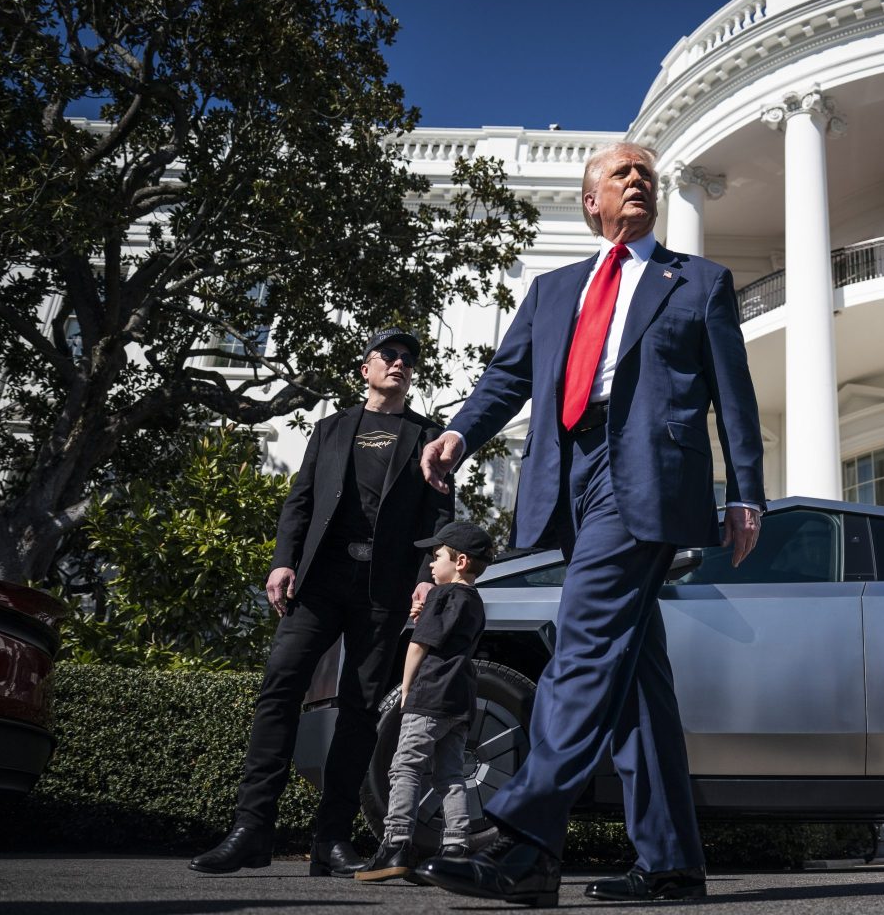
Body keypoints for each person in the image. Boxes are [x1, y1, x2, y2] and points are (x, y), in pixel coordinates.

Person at [412, 142, 765, 905]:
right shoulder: (553, 289)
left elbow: (733, 395)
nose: (637, 180)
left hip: (646, 472)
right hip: (566, 470)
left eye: (646, 174)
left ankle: (525, 841)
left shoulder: (697, 280)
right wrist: (460, 433)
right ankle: (670, 862)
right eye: (620, 174)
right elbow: (507, 376)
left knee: (583, 639)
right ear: (591, 202)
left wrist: (746, 489)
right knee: (637, 676)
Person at [191, 329, 454, 877]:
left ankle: (330, 839)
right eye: (390, 355)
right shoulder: (332, 429)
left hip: (383, 591)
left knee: (359, 710)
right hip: (319, 583)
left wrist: (432, 576)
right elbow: (301, 500)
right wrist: (282, 560)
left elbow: (439, 518)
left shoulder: (428, 437)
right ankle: (250, 829)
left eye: (409, 358)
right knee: (280, 688)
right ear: (366, 369)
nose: (401, 363)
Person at [357, 520, 494, 883]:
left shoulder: (441, 595)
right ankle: (456, 848)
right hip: (460, 697)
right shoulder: (474, 601)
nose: (432, 565)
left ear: (460, 561)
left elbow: (420, 645)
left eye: (437, 557)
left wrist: (405, 688)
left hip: (430, 693)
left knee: (406, 766)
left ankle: (395, 844)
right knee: (451, 775)